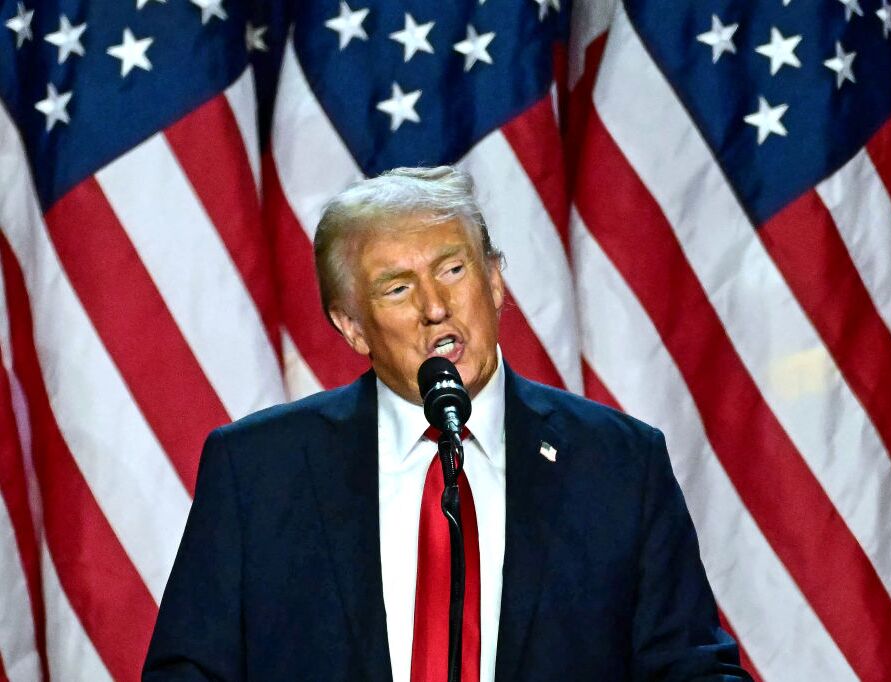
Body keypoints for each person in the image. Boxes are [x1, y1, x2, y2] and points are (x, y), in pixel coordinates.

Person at [143, 166, 750, 681]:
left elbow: (691, 668)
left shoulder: (617, 463)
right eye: (398, 287)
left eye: (453, 270)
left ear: (493, 281)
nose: (435, 307)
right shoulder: (258, 470)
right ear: (352, 326)